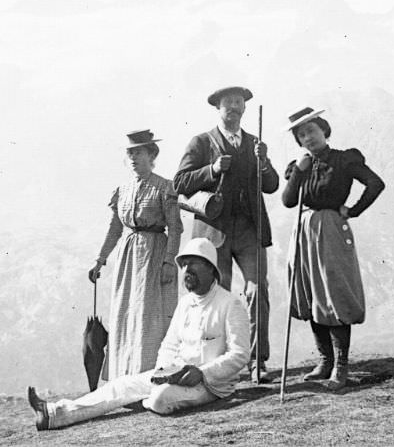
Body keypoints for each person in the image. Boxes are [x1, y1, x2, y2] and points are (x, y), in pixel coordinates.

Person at [28, 237, 251, 430]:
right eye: (184, 264)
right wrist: (164, 371)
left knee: (160, 399)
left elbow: (240, 354)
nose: (186, 270)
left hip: (210, 386)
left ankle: (142, 397)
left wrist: (202, 373)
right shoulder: (185, 303)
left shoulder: (230, 304)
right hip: (174, 377)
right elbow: (170, 345)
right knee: (120, 385)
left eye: (194, 263)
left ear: (211, 268)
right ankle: (53, 414)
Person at [173, 86, 279, 383]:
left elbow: (270, 186)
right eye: (227, 103)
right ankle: (218, 367)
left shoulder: (256, 143)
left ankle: (257, 362)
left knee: (259, 291)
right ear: (217, 109)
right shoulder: (202, 142)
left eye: (238, 102)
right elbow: (179, 183)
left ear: (244, 108)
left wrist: (265, 163)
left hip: (249, 228)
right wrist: (212, 169)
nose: (233, 106)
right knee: (215, 296)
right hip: (213, 232)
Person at [281, 107, 385, 388]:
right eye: (301, 134)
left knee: (334, 291)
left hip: (330, 228)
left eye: (312, 131)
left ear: (324, 130)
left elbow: (376, 183)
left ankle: (341, 365)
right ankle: (325, 360)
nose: (308, 137)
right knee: (313, 293)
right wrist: (299, 172)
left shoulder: (344, 159)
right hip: (304, 231)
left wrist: (353, 210)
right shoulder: (298, 166)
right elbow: (289, 201)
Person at [87, 130, 183, 380]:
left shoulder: (165, 187)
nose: (133, 158)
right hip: (129, 258)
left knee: (150, 314)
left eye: (138, 152)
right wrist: (100, 260)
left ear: (152, 154)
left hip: (155, 253)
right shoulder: (123, 190)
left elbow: (175, 227)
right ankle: (123, 376)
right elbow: (115, 228)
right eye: (130, 153)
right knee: (126, 313)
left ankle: (151, 375)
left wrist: (169, 261)